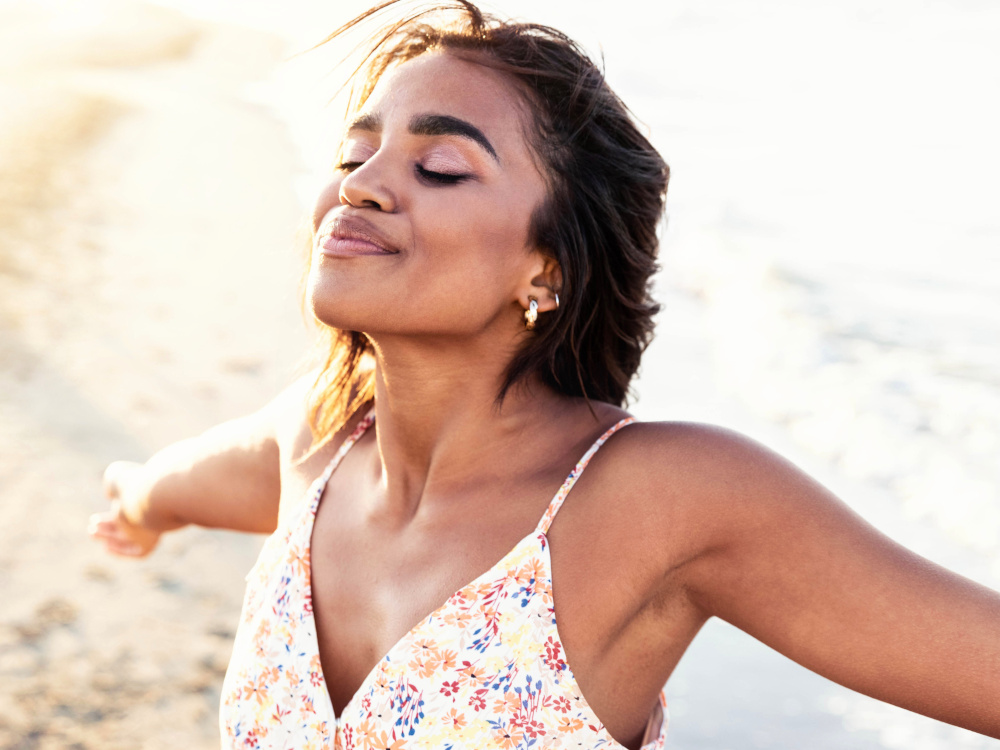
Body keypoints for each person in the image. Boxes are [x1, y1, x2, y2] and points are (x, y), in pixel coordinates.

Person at [88, 2, 1000, 749]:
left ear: (547, 270)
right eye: (353, 151)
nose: (361, 182)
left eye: (440, 165)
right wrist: (134, 501)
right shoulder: (317, 446)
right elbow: (176, 482)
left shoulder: (657, 501)